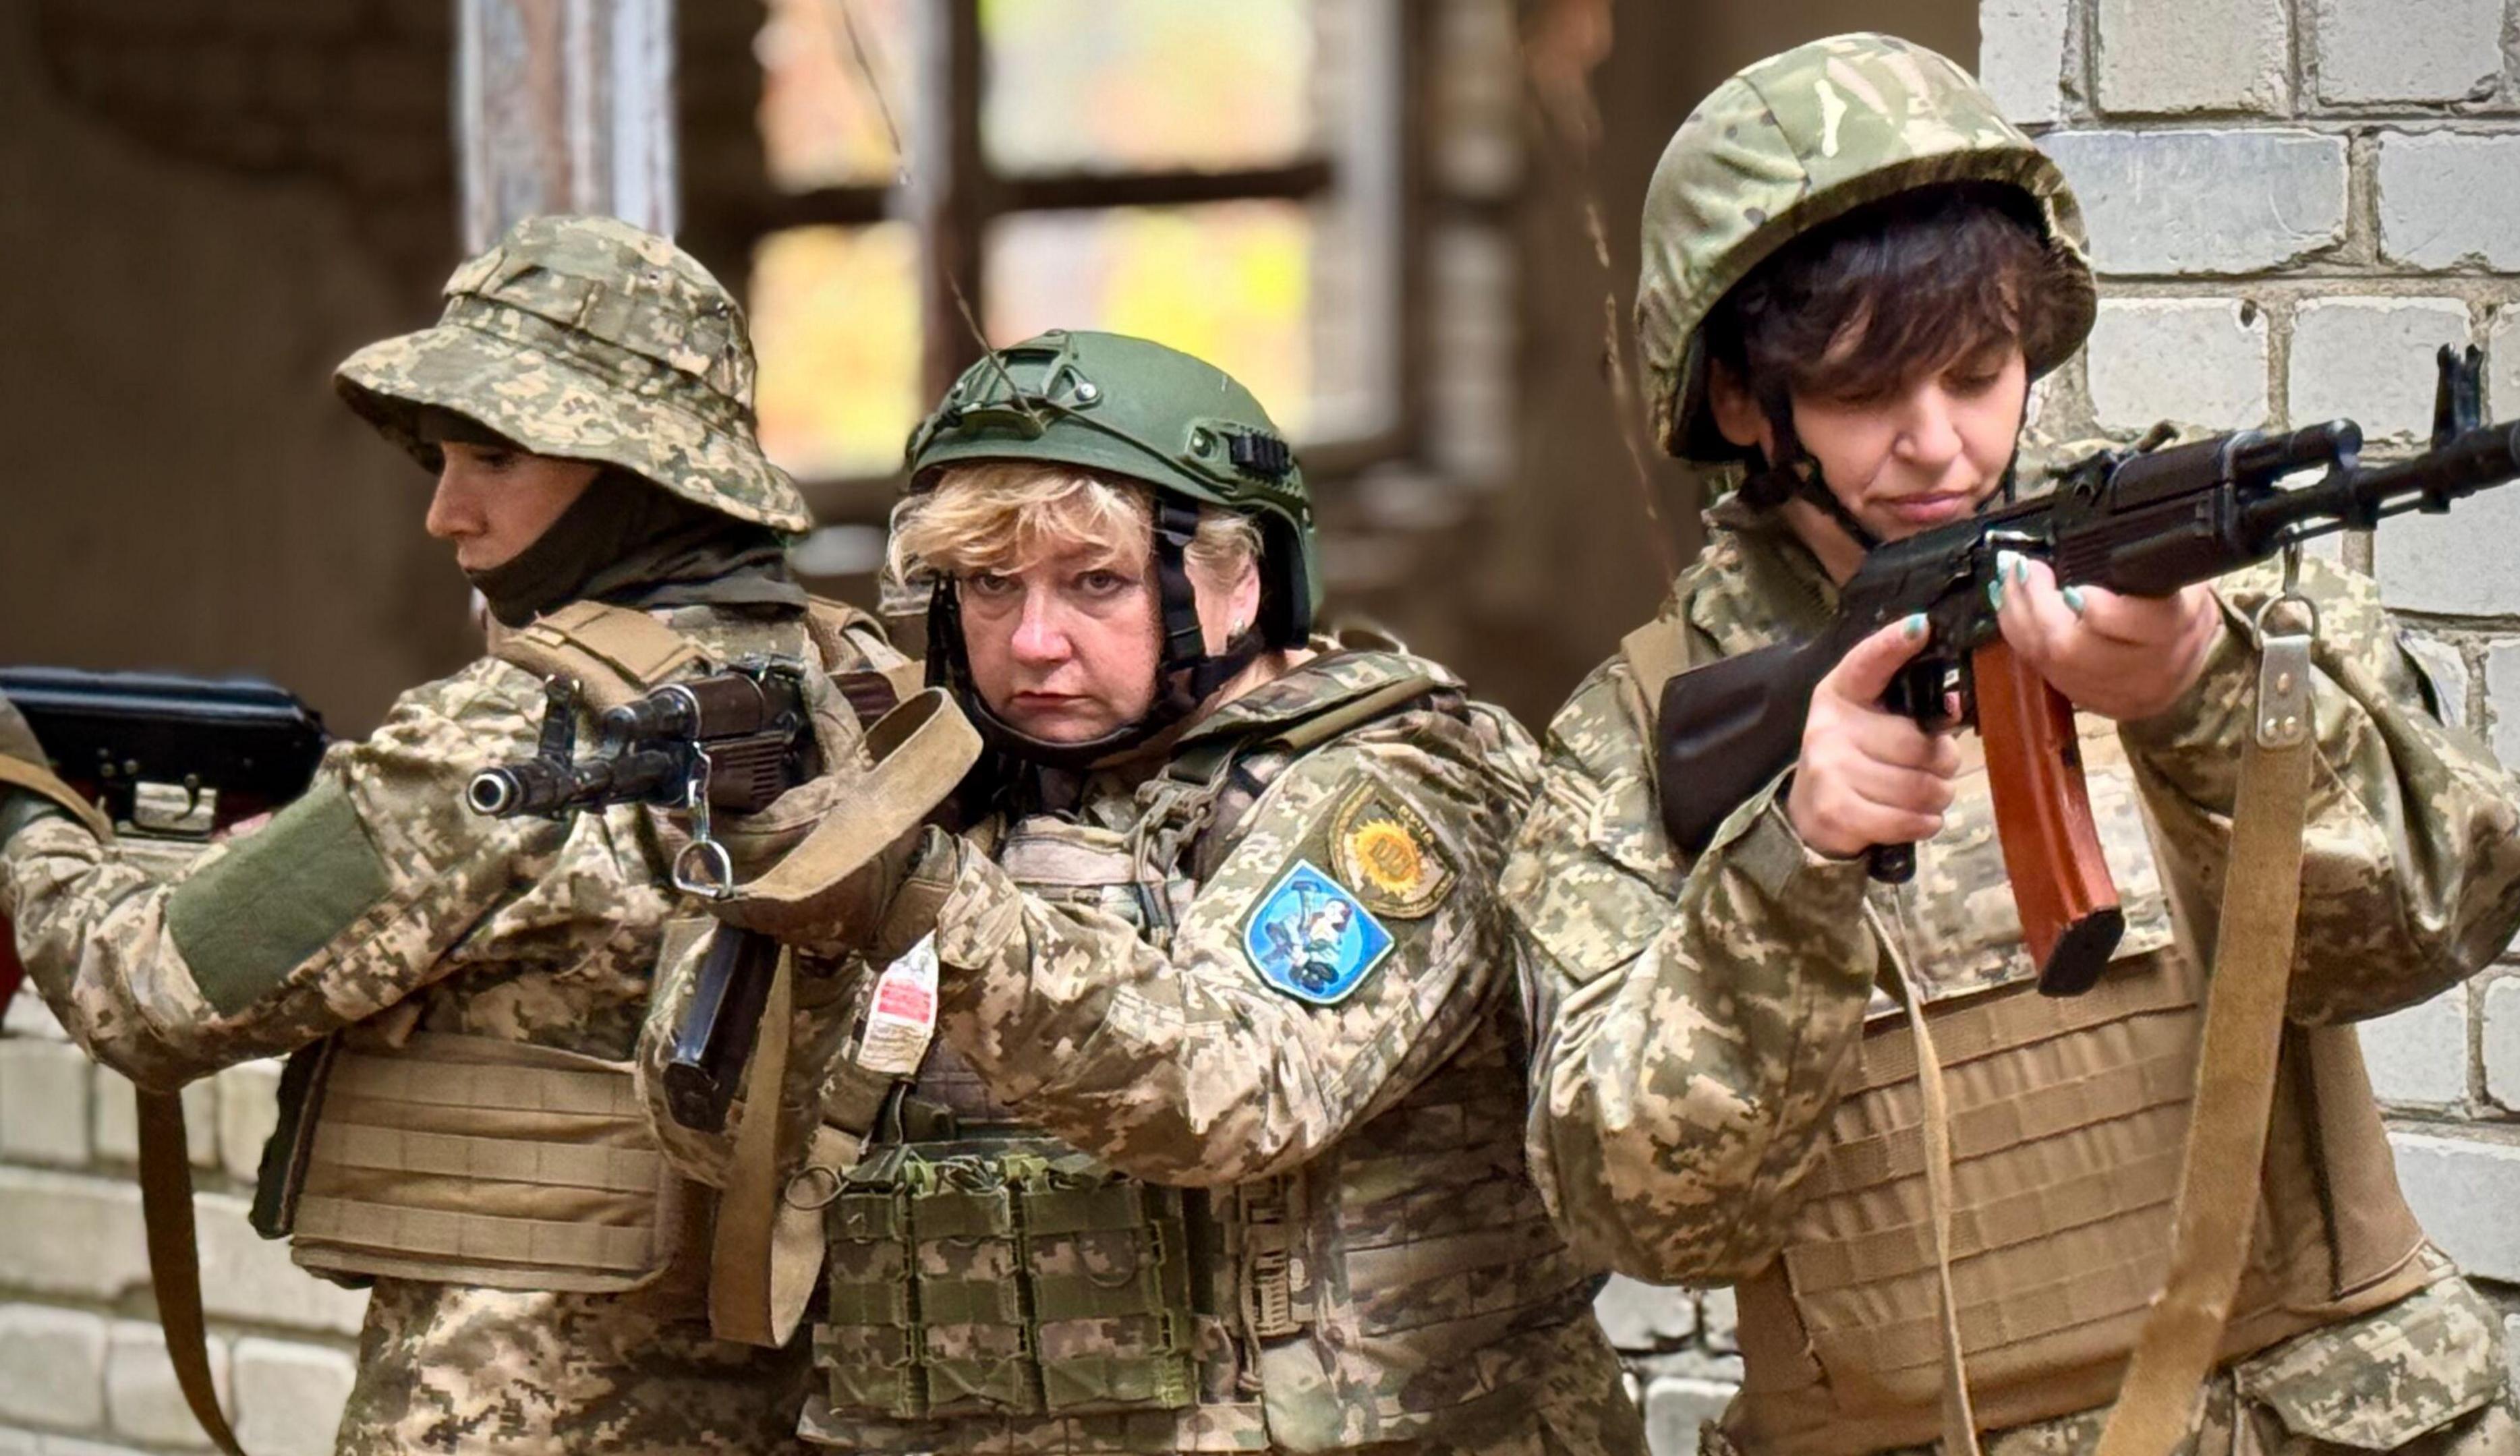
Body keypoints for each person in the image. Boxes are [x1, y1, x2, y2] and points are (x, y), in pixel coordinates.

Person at [1504, 34, 2520, 1456]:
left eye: (1978, 370)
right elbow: (1638, 1214)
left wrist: (2200, 696)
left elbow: (2441, 920)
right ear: (1748, 405)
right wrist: (1794, 863)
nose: (1941, 444)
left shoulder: (2203, 591)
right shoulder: (1645, 733)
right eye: (1871, 393)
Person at [650, 329, 1648, 1456]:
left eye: (1096, 583)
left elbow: (1234, 1089)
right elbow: (706, 1139)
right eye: (988, 586)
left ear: (1240, 581)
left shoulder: (1398, 782)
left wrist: (915, 896)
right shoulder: (922, 788)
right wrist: (802, 906)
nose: (1035, 641)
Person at [0, 214, 903, 1455]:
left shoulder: (513, 732)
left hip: (521, 1415)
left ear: (631, 472)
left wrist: (28, 814)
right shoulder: (848, 681)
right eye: (439, 459)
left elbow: (146, 991)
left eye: (491, 460)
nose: (446, 515)